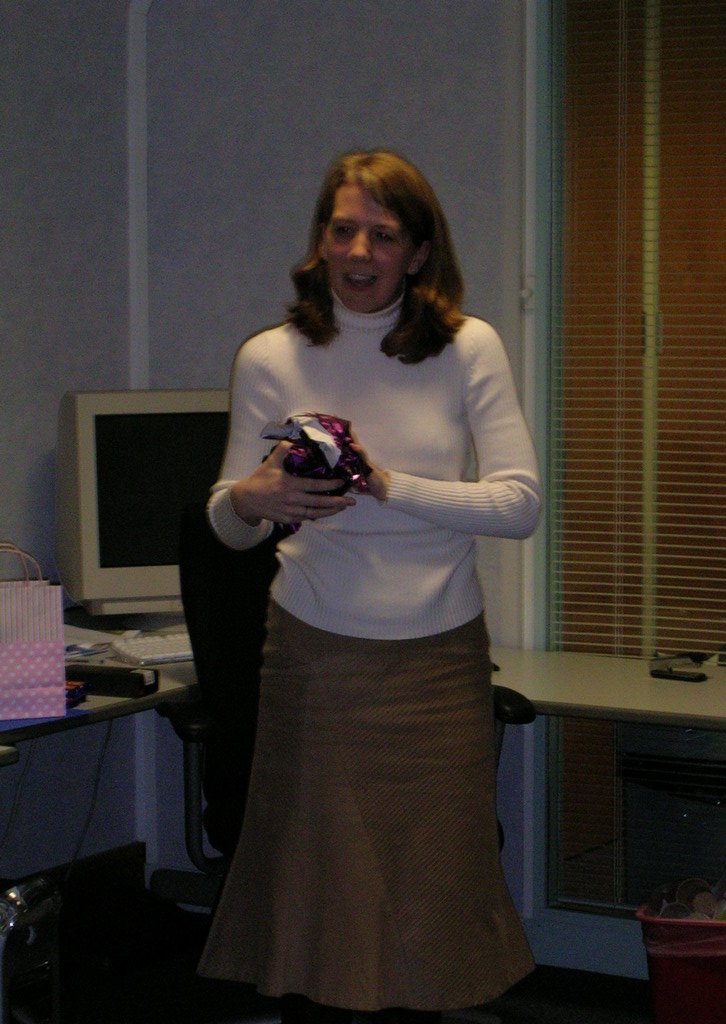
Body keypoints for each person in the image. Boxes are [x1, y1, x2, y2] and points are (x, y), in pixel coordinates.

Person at [197, 150, 541, 1024]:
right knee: (318, 912)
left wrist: (386, 484)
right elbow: (226, 523)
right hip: (315, 663)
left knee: (426, 919)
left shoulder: (468, 349)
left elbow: (519, 505)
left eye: (383, 235)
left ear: (419, 253)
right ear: (321, 240)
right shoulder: (270, 357)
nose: (359, 252)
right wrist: (254, 498)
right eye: (343, 229)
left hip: (437, 666)